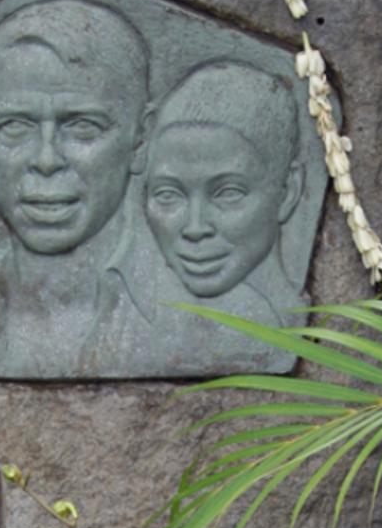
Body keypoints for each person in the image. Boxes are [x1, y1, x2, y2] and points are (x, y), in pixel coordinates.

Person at [0, 0, 149, 377]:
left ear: (141, 139)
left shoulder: (212, 307)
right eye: (14, 127)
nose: (46, 160)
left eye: (82, 126)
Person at [108, 59, 310, 374]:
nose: (195, 227)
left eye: (228, 192)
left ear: (288, 192)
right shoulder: (114, 331)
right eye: (169, 195)